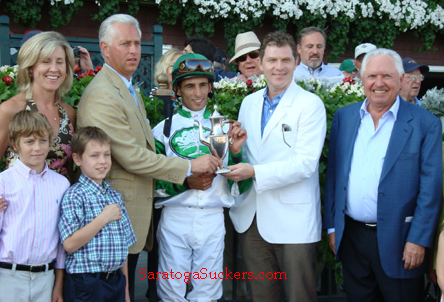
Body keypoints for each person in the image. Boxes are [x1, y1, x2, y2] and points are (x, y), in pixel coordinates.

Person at [76, 13, 222, 301]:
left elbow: (225, 164)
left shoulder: (127, 88)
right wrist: (189, 167)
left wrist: (236, 148)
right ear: (104, 49)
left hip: (201, 221)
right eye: (125, 44)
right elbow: (132, 156)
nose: (133, 51)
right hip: (117, 218)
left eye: (137, 43)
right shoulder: (105, 93)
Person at [324, 48, 443, 302]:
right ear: (361, 80)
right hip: (352, 239)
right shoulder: (345, 117)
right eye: (371, 76)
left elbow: (430, 190)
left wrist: (418, 240)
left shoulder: (425, 124)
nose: (379, 83)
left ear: (401, 80)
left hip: (401, 242)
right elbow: (334, 176)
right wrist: (333, 227)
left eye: (387, 76)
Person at [223, 31, 327, 301]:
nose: (278, 67)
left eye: (285, 60)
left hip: (294, 223)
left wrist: (255, 172)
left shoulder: (310, 105)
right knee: (261, 296)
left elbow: (304, 164)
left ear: (296, 60)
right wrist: (235, 152)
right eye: (271, 60)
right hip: (253, 219)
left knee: (298, 296)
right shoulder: (248, 103)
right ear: (261, 63)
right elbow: (246, 154)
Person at [152, 53, 251, 301]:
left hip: (212, 219)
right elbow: (151, 184)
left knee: (207, 293)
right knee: (171, 293)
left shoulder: (225, 128)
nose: (198, 93)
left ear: (210, 87)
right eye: (190, 86)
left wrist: (237, 154)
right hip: (175, 219)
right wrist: (186, 183)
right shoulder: (162, 130)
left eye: (203, 85)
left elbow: (244, 186)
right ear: (178, 90)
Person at [0, 31, 76, 218]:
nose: (54, 69)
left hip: (58, 212)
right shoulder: (11, 110)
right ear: (30, 67)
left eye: (60, 61)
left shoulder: (68, 113)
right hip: (19, 213)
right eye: (46, 61)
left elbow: (70, 169)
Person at [0, 110, 70, 302]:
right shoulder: (1, 184)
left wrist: (58, 285)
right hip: (7, 278)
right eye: (29, 142)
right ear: (14, 144)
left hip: (46, 278)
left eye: (43, 141)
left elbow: (62, 239)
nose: (37, 148)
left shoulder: (61, 184)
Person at [58, 126, 136, 302]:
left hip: (115, 281)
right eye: (94, 155)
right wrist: (103, 218)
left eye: (106, 154)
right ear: (77, 159)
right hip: (86, 284)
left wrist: (126, 290)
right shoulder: (75, 195)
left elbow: (123, 247)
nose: (102, 161)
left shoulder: (114, 196)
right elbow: (69, 244)